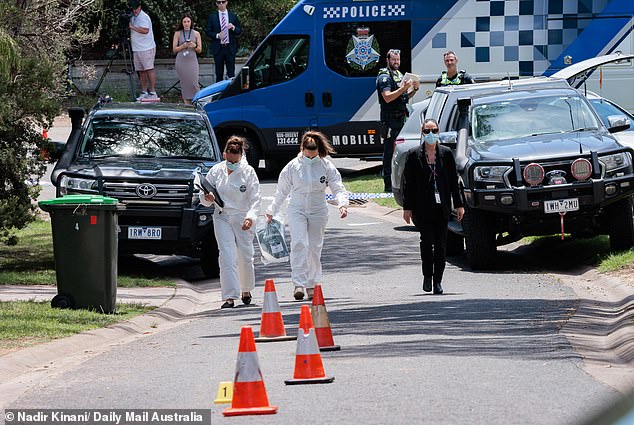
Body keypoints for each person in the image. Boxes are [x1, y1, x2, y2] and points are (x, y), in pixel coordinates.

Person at [265, 131, 348, 301]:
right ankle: (298, 283)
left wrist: (342, 204)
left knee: (314, 247)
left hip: (318, 209)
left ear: (319, 150)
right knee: (299, 243)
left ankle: (313, 284)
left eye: (314, 154)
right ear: (302, 148)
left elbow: (337, 186)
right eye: (307, 154)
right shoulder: (293, 166)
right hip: (297, 208)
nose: (310, 157)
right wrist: (272, 210)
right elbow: (281, 191)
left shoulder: (326, 165)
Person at [402, 119, 464, 295]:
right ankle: (427, 276)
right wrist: (407, 208)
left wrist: (458, 205)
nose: (430, 134)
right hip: (422, 208)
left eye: (434, 130)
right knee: (427, 242)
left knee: (441, 245)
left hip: (441, 207)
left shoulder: (445, 154)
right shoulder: (414, 155)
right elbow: (409, 183)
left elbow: (453, 182)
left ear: (438, 132)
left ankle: (438, 280)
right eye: (427, 131)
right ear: (422, 133)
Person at [200, 136, 261, 309]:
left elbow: (255, 199)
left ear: (241, 156)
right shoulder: (216, 170)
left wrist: (251, 217)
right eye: (230, 160)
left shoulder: (248, 172)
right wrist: (207, 198)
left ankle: (246, 289)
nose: (233, 164)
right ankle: (229, 296)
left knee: (245, 255)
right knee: (227, 255)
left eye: (237, 160)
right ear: (224, 154)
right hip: (222, 216)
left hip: (242, 216)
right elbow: (204, 194)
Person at [376, 48, 419, 193]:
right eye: (394, 59)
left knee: (402, 151)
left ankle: (402, 182)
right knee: (389, 152)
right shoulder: (384, 76)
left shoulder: (399, 74)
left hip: (401, 118)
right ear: (388, 60)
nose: (396, 62)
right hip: (390, 121)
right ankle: (388, 186)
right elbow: (387, 97)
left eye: (398, 59)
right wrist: (404, 88)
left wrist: (414, 89)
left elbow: (404, 97)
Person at [205, 0, 242, 83]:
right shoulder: (212, 16)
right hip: (218, 49)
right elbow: (208, 31)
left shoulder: (233, 16)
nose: (221, 4)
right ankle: (219, 94)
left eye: (223, 1)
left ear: (227, 2)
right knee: (219, 74)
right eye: (218, 2)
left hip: (230, 48)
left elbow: (239, 31)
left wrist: (233, 27)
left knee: (231, 73)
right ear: (216, 4)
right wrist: (217, 35)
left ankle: (230, 93)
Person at [128, 0, 158, 101]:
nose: (135, 10)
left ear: (140, 7)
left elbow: (145, 30)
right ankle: (144, 91)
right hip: (137, 48)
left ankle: (153, 92)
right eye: (133, 9)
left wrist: (132, 27)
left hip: (146, 48)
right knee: (141, 71)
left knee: (149, 69)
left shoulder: (144, 17)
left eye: (136, 8)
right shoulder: (132, 17)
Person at [172, 13, 202, 105]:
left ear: (191, 22)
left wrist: (194, 45)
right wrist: (183, 45)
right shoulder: (178, 33)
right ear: (182, 23)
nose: (186, 23)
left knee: (194, 83)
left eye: (188, 21)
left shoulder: (196, 33)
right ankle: (186, 104)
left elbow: (199, 50)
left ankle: (197, 102)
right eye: (184, 21)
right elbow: (174, 49)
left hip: (192, 61)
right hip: (181, 61)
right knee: (184, 85)